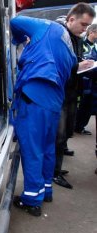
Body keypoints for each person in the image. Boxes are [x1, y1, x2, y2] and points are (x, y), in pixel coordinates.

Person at [10, 15, 77, 216]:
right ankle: (46, 190)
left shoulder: (47, 27)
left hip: (35, 97)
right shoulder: (70, 49)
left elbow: (15, 21)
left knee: (32, 149)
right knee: (48, 147)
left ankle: (32, 200)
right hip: (54, 102)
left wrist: (20, 40)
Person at [54, 3, 96, 189]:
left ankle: (57, 166)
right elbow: (55, 65)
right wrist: (77, 67)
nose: (85, 29)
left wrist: (83, 63)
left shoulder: (76, 37)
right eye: (84, 25)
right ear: (71, 19)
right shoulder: (58, 36)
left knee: (66, 132)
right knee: (59, 135)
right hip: (61, 93)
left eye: (88, 27)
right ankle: (54, 172)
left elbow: (73, 61)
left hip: (73, 91)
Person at [75, 24, 97, 135]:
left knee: (89, 105)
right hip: (82, 79)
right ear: (91, 32)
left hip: (93, 80)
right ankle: (76, 125)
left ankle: (80, 126)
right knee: (81, 104)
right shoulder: (81, 43)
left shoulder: (96, 45)